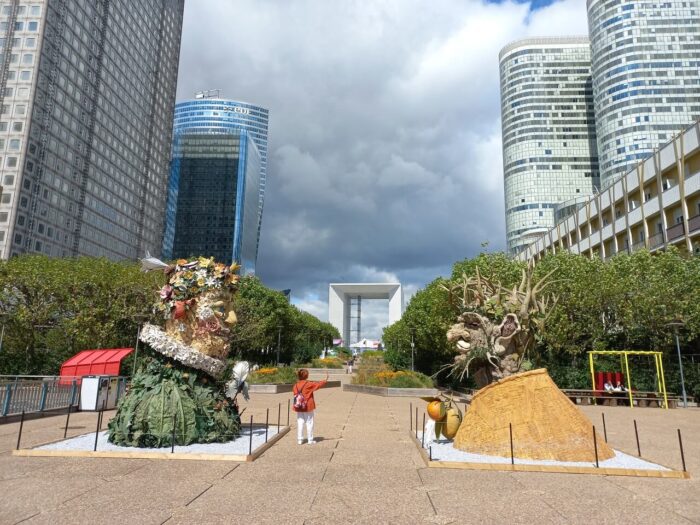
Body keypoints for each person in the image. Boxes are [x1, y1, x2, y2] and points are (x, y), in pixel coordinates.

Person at [292, 369, 328, 445]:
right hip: (308, 405)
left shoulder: (295, 385)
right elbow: (318, 385)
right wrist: (325, 380)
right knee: (309, 422)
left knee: (300, 422)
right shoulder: (308, 384)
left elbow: (295, 394)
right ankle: (310, 440)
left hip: (299, 406)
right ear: (307, 376)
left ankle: (300, 440)